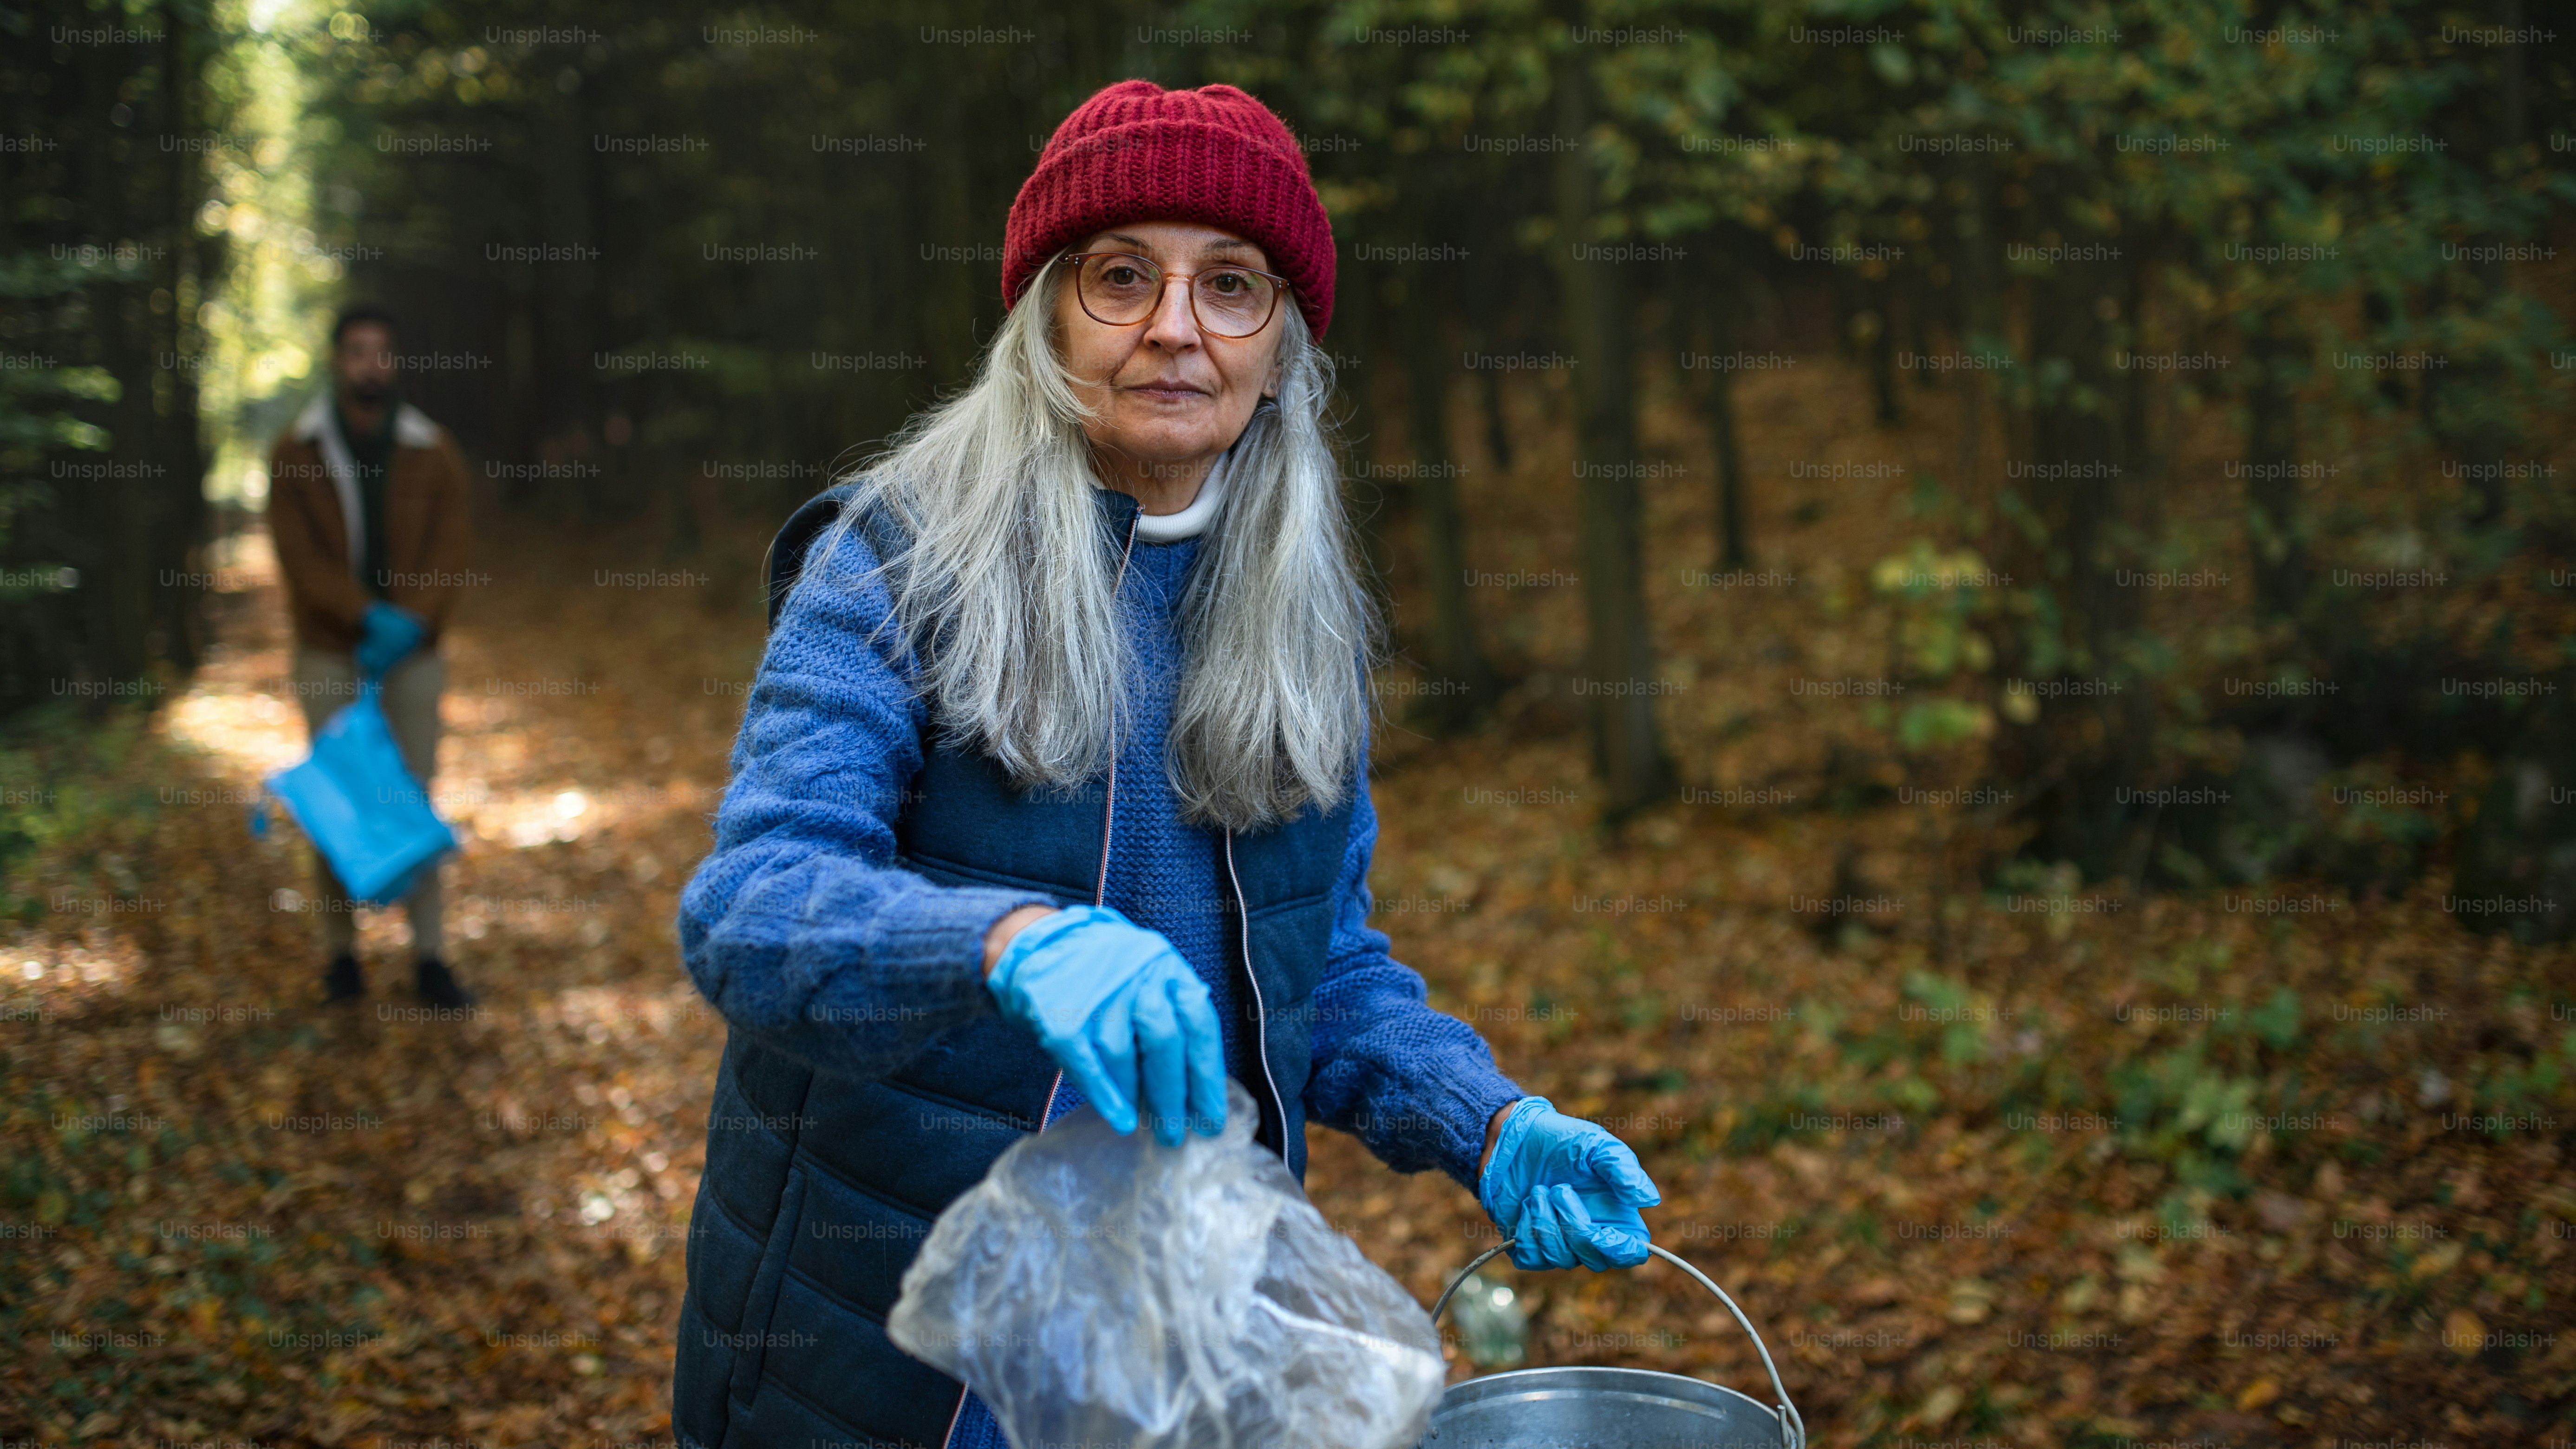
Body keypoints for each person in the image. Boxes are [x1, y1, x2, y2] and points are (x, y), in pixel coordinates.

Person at [672, 80, 1663, 1449]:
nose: (1175, 328)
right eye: (1121, 277)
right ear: (1046, 321)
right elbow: (751, 908)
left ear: (1280, 347)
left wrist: (1484, 1124)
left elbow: (1324, 970)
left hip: (1179, 1343)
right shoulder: (896, 565)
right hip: (892, 1359)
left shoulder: (1296, 623)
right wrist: (1006, 943)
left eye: (1231, 285)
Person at [267, 304, 476, 1009]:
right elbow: (298, 558)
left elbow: (451, 547)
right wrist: (365, 617)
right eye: (357, 352)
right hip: (330, 650)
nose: (370, 365)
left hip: (414, 653)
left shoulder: (432, 448)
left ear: (396, 362)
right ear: (336, 361)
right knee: (337, 798)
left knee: (411, 794)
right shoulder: (295, 450)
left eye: (382, 352)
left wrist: (412, 621)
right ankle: (341, 958)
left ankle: (430, 958)